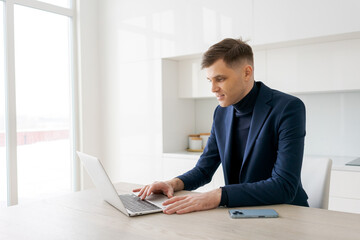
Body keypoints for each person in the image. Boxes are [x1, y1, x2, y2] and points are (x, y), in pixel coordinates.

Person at [133, 38, 309, 214]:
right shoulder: (221, 113)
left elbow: (284, 186)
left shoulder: (288, 108)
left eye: (220, 79)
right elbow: (203, 170)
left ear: (247, 73)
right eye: (210, 80)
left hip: (286, 214)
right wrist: (172, 184)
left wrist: (218, 195)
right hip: (241, 213)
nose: (213, 88)